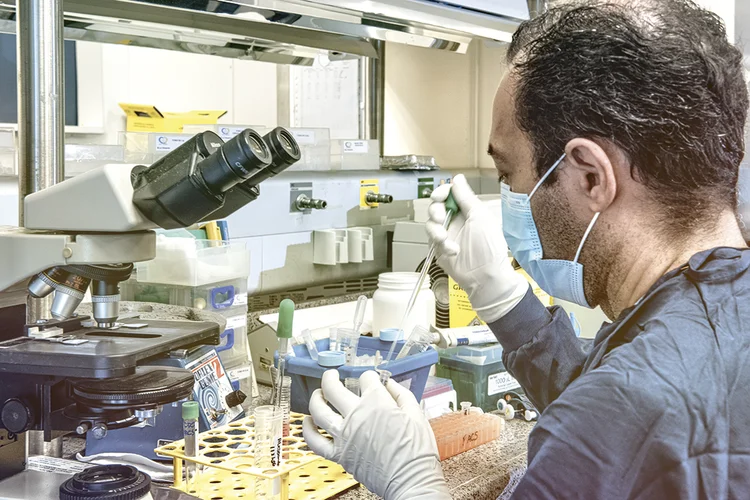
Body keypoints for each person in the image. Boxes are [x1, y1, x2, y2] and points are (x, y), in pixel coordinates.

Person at [303, 0, 750, 497]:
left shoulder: (631, 399)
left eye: (508, 174)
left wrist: (412, 484)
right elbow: (621, 430)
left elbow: (619, 416)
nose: (512, 197)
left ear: (590, 176)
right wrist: (500, 297)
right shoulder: (719, 300)